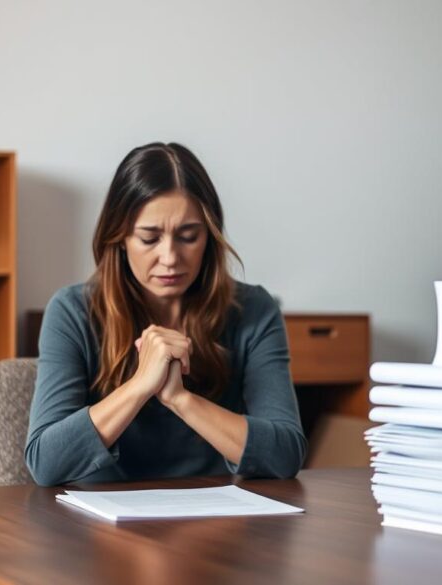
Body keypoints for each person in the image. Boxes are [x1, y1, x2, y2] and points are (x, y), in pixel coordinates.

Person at [25, 142, 306, 486]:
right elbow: (45, 462)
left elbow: (286, 453)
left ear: (210, 236)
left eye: (188, 236)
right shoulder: (71, 312)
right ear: (120, 238)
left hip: (218, 524)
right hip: (99, 527)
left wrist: (179, 399)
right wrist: (141, 385)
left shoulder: (254, 310)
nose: (170, 257)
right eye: (149, 238)